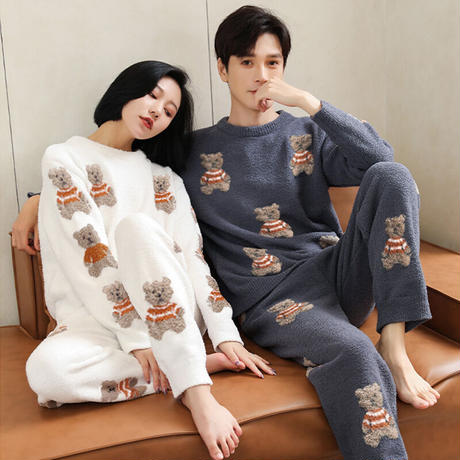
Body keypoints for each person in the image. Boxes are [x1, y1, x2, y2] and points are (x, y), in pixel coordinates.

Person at [12, 6, 441, 460]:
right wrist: (38, 201)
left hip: (337, 272)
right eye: (247, 62)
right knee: (353, 351)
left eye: (272, 63)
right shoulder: (192, 151)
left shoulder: (307, 132)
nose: (261, 75)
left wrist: (307, 101)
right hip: (273, 299)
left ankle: (394, 343)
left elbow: (379, 157)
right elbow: (120, 170)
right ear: (223, 68)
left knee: (393, 175)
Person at [17, 60, 275, 460]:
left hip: (169, 315)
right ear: (126, 89)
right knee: (45, 373)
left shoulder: (164, 178)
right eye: (153, 96)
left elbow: (193, 258)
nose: (157, 111)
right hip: (97, 322)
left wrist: (225, 333)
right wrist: (135, 338)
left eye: (169, 111)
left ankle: (196, 392)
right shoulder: (63, 159)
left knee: (135, 229)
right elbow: (88, 258)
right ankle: (190, 363)